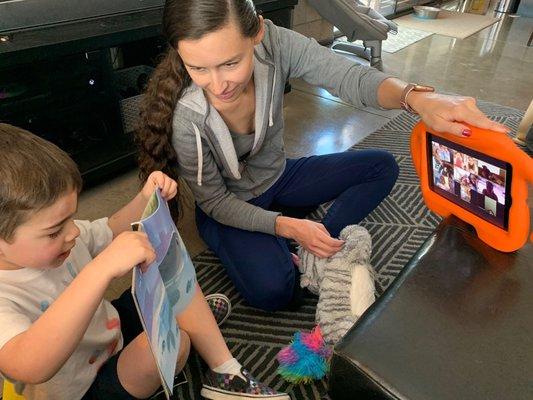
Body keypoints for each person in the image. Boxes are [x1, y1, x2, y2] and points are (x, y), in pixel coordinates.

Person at [136, 0, 509, 311]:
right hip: (229, 209)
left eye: (231, 63)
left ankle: (320, 245)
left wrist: (417, 97)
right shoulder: (187, 116)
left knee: (381, 166)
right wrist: (285, 226)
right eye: (198, 68)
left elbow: (348, 77)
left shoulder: (276, 44)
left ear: (258, 34)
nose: (218, 85)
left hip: (279, 178)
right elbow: (215, 201)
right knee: (274, 292)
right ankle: (299, 239)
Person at [0, 124, 289, 400]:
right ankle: (186, 326)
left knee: (169, 269)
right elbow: (29, 364)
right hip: (82, 389)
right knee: (176, 345)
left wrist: (144, 199)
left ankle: (224, 368)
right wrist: (98, 270)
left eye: (70, 219)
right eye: (54, 231)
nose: (73, 232)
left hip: (109, 330)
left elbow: (111, 228)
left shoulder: (64, 238)